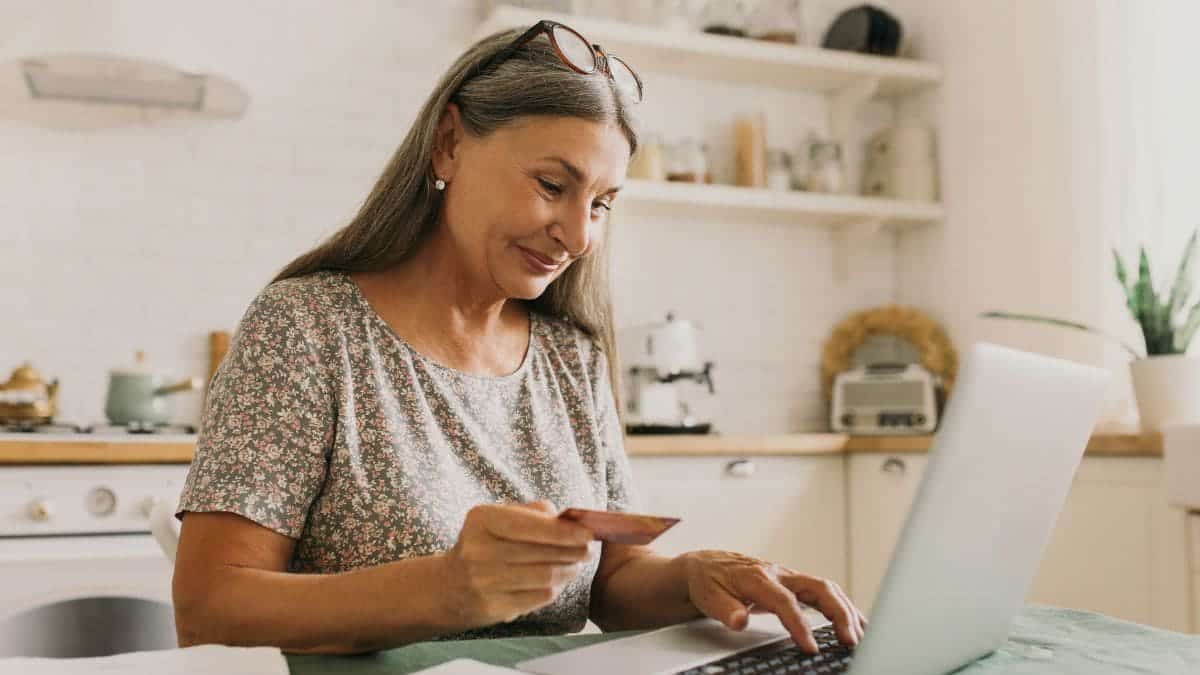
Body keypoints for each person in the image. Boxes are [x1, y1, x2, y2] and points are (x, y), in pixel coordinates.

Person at [171, 19, 866, 656]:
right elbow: (208, 609)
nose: (580, 234)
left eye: (600, 203)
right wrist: (446, 587)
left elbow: (611, 583)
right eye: (551, 184)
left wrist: (698, 576)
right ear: (449, 144)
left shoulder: (570, 356)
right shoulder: (307, 329)